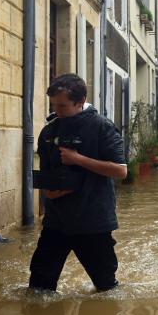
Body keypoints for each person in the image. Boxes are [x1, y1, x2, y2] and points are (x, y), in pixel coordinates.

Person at [30, 74, 127, 293]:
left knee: (106, 289)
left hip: (93, 220)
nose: (57, 110)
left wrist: (78, 159)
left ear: (81, 101)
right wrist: (49, 192)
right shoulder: (48, 132)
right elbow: (46, 174)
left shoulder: (102, 127)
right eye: (54, 105)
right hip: (56, 221)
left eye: (62, 105)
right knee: (39, 287)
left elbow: (121, 171)